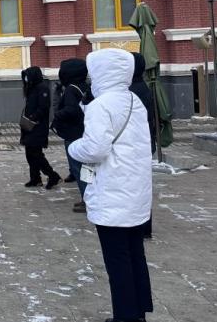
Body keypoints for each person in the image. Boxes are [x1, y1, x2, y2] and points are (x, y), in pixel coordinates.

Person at [68, 48, 153, 322]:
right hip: (135, 191)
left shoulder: (101, 105)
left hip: (112, 192)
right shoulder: (133, 99)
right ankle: (138, 312)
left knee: (117, 259)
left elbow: (95, 149)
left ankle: (125, 316)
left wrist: (73, 147)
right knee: (135, 254)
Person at [51, 58, 90, 213]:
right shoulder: (86, 86)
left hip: (73, 134)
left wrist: (58, 115)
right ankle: (90, 198)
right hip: (85, 131)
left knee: (77, 169)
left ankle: (87, 200)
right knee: (87, 168)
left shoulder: (70, 89)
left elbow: (72, 110)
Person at [130, 52, 157, 240]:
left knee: (137, 188)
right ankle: (144, 226)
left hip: (137, 144)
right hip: (143, 143)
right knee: (141, 186)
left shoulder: (134, 91)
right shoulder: (141, 86)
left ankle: (142, 226)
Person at [20, 66, 62, 190]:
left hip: (37, 126)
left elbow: (43, 107)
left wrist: (33, 117)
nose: (26, 79)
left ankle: (53, 176)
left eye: (28, 76)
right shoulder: (31, 88)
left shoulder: (42, 88)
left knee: (36, 154)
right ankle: (35, 178)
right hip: (29, 126)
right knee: (29, 153)